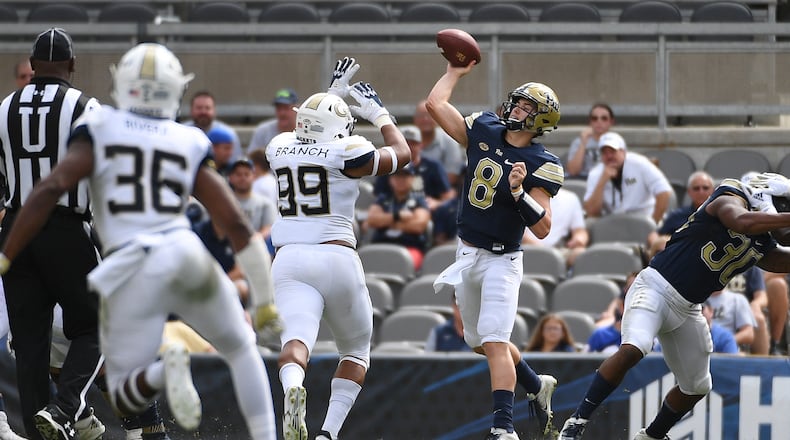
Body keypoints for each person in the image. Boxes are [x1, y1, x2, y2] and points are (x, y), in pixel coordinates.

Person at [0, 42, 282, 440]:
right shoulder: (185, 137)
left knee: (121, 389)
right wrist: (265, 300)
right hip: (181, 252)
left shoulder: (98, 127)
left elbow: (50, 188)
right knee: (241, 348)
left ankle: (151, 375)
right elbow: (235, 222)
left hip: (126, 267)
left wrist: (7, 252)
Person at [559, 172, 790, 440]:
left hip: (688, 308)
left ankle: (652, 436)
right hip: (655, 286)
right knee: (636, 347)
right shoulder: (730, 195)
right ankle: (576, 422)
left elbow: (780, 257)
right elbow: (740, 221)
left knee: (697, 386)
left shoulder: (764, 240)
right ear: (766, 196)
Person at [265, 57, 411, 440]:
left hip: (289, 259)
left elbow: (311, 137)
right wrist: (378, 113)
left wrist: (330, 95)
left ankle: (292, 387)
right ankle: (327, 433)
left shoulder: (278, 147)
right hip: (336, 256)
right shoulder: (349, 151)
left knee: (295, 343)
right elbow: (402, 153)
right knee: (356, 352)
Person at [427, 58, 563, 440]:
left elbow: (543, 227)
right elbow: (435, 106)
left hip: (503, 259)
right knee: (480, 343)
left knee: (494, 339)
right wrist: (454, 73)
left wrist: (519, 192)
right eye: (516, 102)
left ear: (539, 121)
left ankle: (503, 428)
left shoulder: (542, 163)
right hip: (466, 253)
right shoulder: (484, 127)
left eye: (526, 108)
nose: (516, 109)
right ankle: (537, 385)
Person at [0, 27, 106, 440]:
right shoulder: (84, 105)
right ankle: (64, 410)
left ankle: (38, 428)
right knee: (97, 326)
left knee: (29, 345)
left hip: (16, 231)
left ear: (31, 65)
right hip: (66, 227)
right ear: (72, 65)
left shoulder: (5, 107)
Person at [583, 132, 673, 225]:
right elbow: (591, 212)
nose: (609, 156)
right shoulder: (595, 173)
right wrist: (602, 181)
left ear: (623, 152)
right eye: (605, 153)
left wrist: (653, 224)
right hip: (613, 223)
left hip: (644, 219)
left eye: (613, 151)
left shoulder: (640, 163)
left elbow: (664, 192)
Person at [372, 125, 455, 211]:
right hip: (393, 211)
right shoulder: (389, 167)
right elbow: (378, 198)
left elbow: (448, 196)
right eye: (406, 143)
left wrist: (437, 203)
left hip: (429, 212)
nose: (409, 147)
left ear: (421, 145)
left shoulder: (433, 167)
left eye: (413, 143)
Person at [366, 165, 432, 271]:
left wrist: (386, 223)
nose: (400, 180)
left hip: (410, 247)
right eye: (397, 176)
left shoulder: (420, 200)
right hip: (381, 244)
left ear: (412, 178)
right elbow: (372, 220)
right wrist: (397, 216)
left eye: (404, 176)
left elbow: (418, 225)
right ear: (391, 179)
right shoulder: (383, 199)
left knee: (403, 264)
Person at [647, 171, 714, 258]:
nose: (701, 192)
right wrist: (658, 244)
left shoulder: (721, 216)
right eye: (696, 188)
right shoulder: (677, 215)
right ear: (689, 192)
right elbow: (655, 235)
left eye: (705, 188)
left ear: (713, 190)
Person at [522, 187, 588, 268]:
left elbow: (579, 230)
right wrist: (544, 251)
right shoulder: (520, 195)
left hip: (559, 252)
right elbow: (519, 235)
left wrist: (579, 239)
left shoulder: (571, 198)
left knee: (581, 254)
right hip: (526, 251)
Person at [414, 99, 466, 187]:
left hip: (442, 192)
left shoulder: (449, 140)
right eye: (421, 115)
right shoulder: (407, 139)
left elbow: (452, 176)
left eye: (429, 115)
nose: (425, 119)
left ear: (438, 118)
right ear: (415, 119)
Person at [653, 302, 740, 355]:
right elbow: (657, 358)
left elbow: (732, 364)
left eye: (701, 309)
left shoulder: (724, 337)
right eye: (692, 310)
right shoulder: (674, 334)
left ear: (711, 311)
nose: (697, 313)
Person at [184, 90, 243, 161]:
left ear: (214, 111)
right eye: (199, 108)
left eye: (207, 108)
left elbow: (235, 162)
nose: (203, 112)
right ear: (191, 110)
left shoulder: (229, 134)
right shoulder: (182, 132)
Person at [228, 158, 277, 240]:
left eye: (246, 174)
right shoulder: (225, 203)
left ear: (253, 176)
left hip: (257, 247)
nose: (243, 178)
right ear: (230, 177)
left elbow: (268, 228)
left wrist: (256, 239)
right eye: (238, 174)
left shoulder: (265, 204)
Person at [565, 103, 614, 179]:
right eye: (595, 118)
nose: (599, 121)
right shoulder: (578, 142)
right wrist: (583, 143)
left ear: (611, 122)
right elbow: (572, 171)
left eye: (604, 118)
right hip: (583, 180)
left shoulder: (616, 142)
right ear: (590, 122)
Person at [248, 88, 299, 152]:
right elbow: (253, 158)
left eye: (286, 108)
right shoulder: (263, 131)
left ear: (296, 109)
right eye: (279, 108)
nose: (282, 113)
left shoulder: (304, 132)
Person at [706, 287, 757, 352]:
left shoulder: (737, 299)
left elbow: (749, 334)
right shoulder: (696, 298)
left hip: (728, 350)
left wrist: (726, 341)